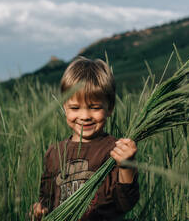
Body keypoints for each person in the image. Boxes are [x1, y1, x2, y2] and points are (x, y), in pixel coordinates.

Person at [30, 56, 139, 221]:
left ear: (109, 108)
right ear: (64, 108)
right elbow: (46, 199)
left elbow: (126, 204)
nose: (85, 116)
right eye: (74, 108)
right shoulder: (54, 152)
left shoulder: (115, 150)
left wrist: (126, 166)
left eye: (94, 107)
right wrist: (39, 211)